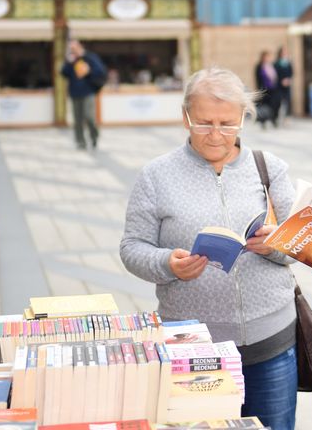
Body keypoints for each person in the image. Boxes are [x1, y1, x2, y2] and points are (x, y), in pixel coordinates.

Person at [119, 67, 298, 430]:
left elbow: (297, 245)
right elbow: (132, 247)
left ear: (243, 119)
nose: (217, 135)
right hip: (193, 347)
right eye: (203, 123)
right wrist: (167, 263)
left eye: (228, 124)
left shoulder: (270, 169)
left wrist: (274, 244)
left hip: (271, 343)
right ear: (184, 117)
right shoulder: (157, 175)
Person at [60, 39, 106, 150]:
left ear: (80, 46)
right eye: (71, 48)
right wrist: (68, 62)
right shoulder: (71, 60)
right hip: (75, 93)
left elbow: (100, 71)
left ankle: (94, 136)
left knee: (90, 117)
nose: (73, 50)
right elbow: (63, 73)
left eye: (74, 47)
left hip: (88, 92)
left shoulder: (90, 57)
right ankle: (80, 141)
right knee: (77, 120)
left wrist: (88, 70)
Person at [254, 50, 280, 128]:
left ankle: (273, 119)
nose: (267, 58)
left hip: (273, 89)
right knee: (264, 106)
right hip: (264, 90)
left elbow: (275, 77)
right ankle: (263, 121)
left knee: (274, 105)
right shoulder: (259, 66)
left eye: (268, 57)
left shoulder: (272, 66)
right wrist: (259, 90)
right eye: (266, 56)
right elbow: (258, 79)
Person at [274, 45, 293, 121]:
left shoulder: (288, 63)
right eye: (284, 52)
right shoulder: (276, 63)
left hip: (287, 86)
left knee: (288, 101)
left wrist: (288, 80)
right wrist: (281, 81)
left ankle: (287, 117)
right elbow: (275, 74)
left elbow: (291, 73)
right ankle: (276, 117)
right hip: (279, 86)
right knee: (278, 102)